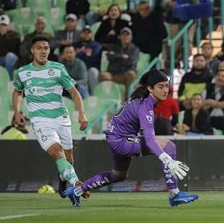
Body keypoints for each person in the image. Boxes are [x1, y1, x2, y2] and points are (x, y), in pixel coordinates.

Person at [65, 69, 198, 207]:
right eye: (160, 86)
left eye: (166, 86)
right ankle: (174, 193)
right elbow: (149, 140)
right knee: (169, 146)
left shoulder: (140, 99)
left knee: (118, 176)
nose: (165, 90)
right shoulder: (145, 106)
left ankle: (76, 191)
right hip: (122, 140)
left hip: (115, 137)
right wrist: (168, 160)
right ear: (150, 88)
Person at [12, 35, 89, 206]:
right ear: (32, 50)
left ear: (49, 51)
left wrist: (82, 113)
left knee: (69, 160)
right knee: (57, 151)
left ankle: (63, 178)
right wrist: (17, 112)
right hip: (40, 120)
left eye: (46, 48)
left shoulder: (58, 69)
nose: (43, 51)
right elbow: (17, 92)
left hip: (61, 118)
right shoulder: (23, 72)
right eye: (39, 48)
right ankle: (77, 185)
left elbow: (74, 92)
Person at [100, 27, 139, 100]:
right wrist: (122, 56)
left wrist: (116, 57)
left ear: (131, 37)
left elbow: (131, 61)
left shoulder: (135, 49)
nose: (125, 37)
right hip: (113, 74)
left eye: (127, 35)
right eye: (123, 35)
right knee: (103, 75)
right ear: (120, 37)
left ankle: (128, 99)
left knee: (131, 74)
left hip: (125, 74)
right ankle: (106, 99)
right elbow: (109, 56)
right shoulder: (114, 46)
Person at [202, 69, 224, 134]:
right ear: (215, 77)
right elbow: (202, 103)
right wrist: (207, 103)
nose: (220, 78)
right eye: (218, 75)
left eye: (223, 76)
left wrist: (212, 103)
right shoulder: (208, 88)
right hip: (210, 118)